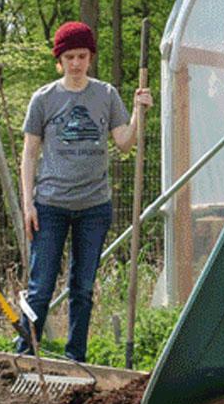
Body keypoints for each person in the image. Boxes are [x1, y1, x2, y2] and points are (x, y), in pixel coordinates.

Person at [16, 21, 152, 362]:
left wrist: (138, 112)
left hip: (94, 206)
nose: (76, 63)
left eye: (82, 56)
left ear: (90, 57)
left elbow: (124, 143)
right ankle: (24, 354)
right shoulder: (44, 99)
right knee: (40, 287)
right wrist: (27, 203)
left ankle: (75, 358)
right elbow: (29, 153)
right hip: (50, 205)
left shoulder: (106, 95)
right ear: (59, 60)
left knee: (83, 289)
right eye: (69, 57)